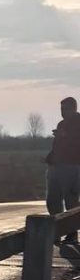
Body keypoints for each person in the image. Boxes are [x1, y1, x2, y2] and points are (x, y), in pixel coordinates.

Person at [45, 96, 80, 244]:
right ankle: (57, 230)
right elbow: (57, 145)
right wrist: (50, 158)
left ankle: (72, 233)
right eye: (61, 109)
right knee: (52, 201)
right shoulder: (61, 124)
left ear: (73, 108)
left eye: (65, 109)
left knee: (71, 201)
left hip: (73, 167)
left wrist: (66, 137)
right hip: (56, 167)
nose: (62, 112)